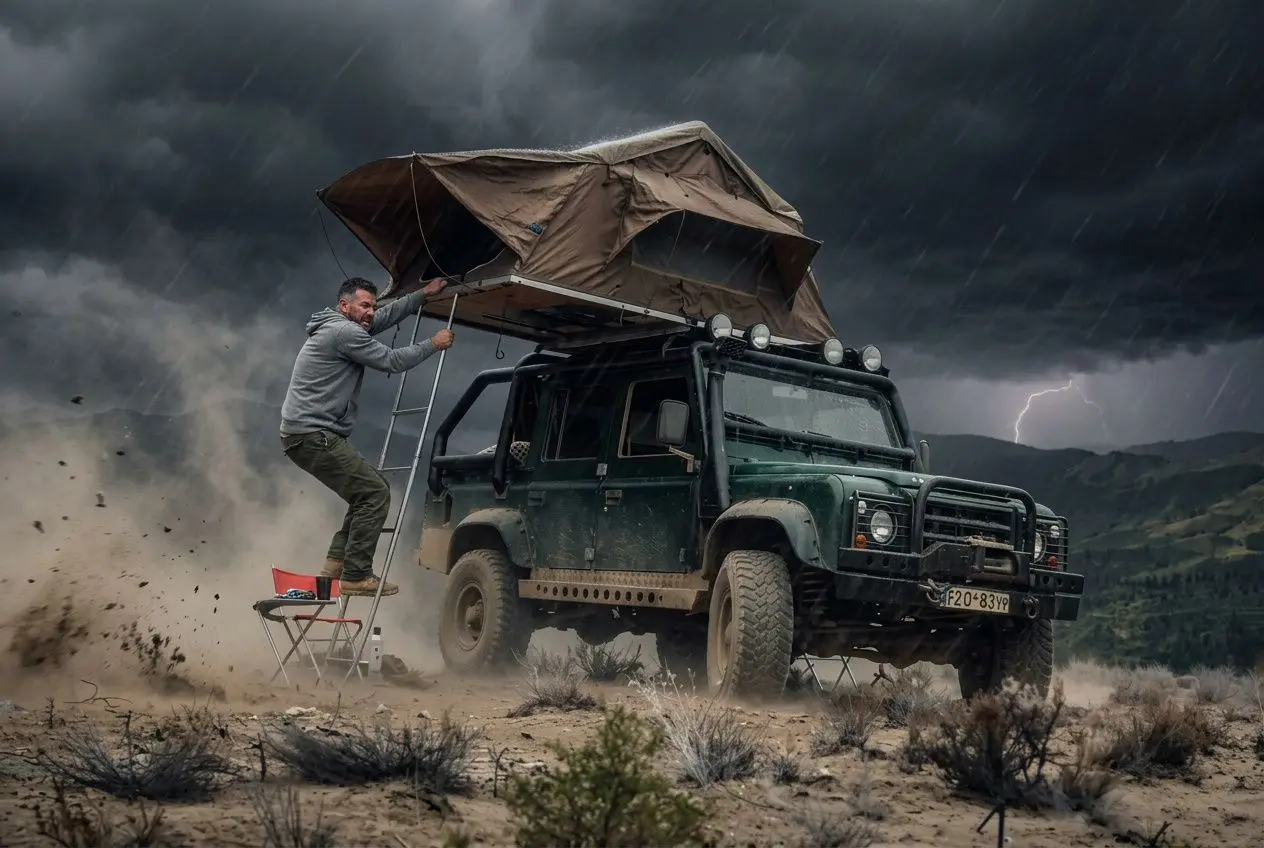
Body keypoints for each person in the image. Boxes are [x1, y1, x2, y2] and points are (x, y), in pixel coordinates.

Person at [279, 275, 454, 596]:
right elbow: (392, 360)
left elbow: (384, 317)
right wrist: (434, 343)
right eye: (365, 305)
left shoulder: (339, 327)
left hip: (305, 435)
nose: (372, 311)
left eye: (373, 305)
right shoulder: (344, 332)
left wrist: (421, 296)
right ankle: (356, 575)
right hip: (314, 435)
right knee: (374, 494)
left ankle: (335, 564)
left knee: (368, 493)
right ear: (344, 305)